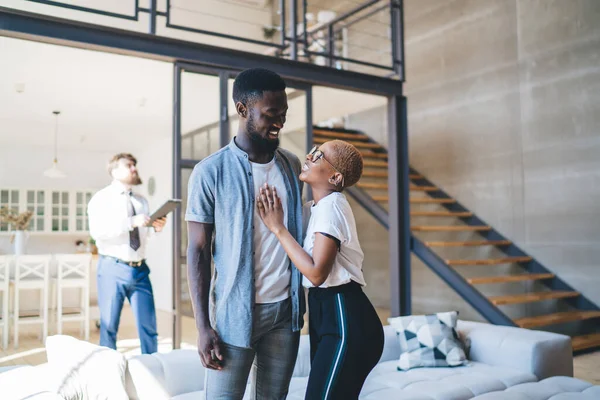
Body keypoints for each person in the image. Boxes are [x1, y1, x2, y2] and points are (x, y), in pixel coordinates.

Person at [185, 68, 305, 399]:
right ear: (243, 110)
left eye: (283, 114)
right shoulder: (210, 171)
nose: (280, 122)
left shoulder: (291, 166)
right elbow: (197, 251)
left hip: (285, 313)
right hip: (231, 318)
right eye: (271, 114)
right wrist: (203, 326)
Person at [256, 140, 385, 400]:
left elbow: (316, 274)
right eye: (313, 150)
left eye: (318, 155)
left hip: (345, 315)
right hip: (325, 313)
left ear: (335, 177)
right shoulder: (314, 209)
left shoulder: (333, 206)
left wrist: (278, 228)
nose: (309, 156)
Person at [88, 153, 166, 354]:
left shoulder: (141, 201)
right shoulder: (101, 199)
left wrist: (155, 229)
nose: (134, 169)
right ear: (114, 171)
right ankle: (107, 374)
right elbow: (98, 233)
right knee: (109, 327)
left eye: (135, 165)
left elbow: (144, 239)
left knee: (149, 328)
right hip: (112, 268)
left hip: (140, 270)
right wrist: (130, 222)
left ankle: (153, 370)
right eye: (129, 165)